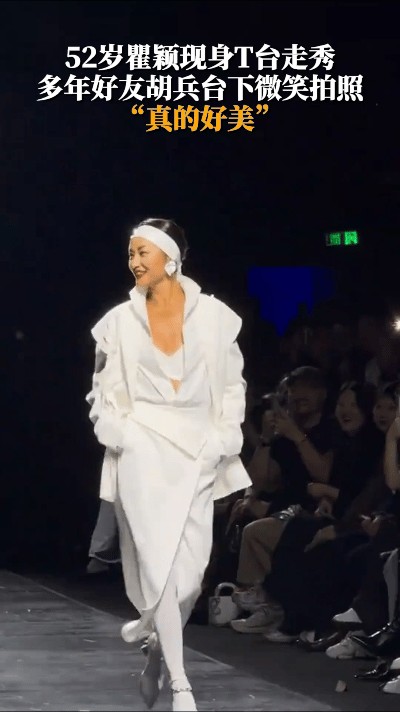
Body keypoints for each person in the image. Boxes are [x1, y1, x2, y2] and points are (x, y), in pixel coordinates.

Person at [86, 217, 250, 711]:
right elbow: (100, 392)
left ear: (170, 258)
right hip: (142, 448)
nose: (134, 261)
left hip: (197, 451)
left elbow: (233, 386)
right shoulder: (118, 323)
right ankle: (182, 685)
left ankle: (157, 645)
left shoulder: (216, 319)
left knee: (190, 579)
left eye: (143, 252)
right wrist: (117, 432)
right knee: (158, 568)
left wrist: (223, 438)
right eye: (131, 253)